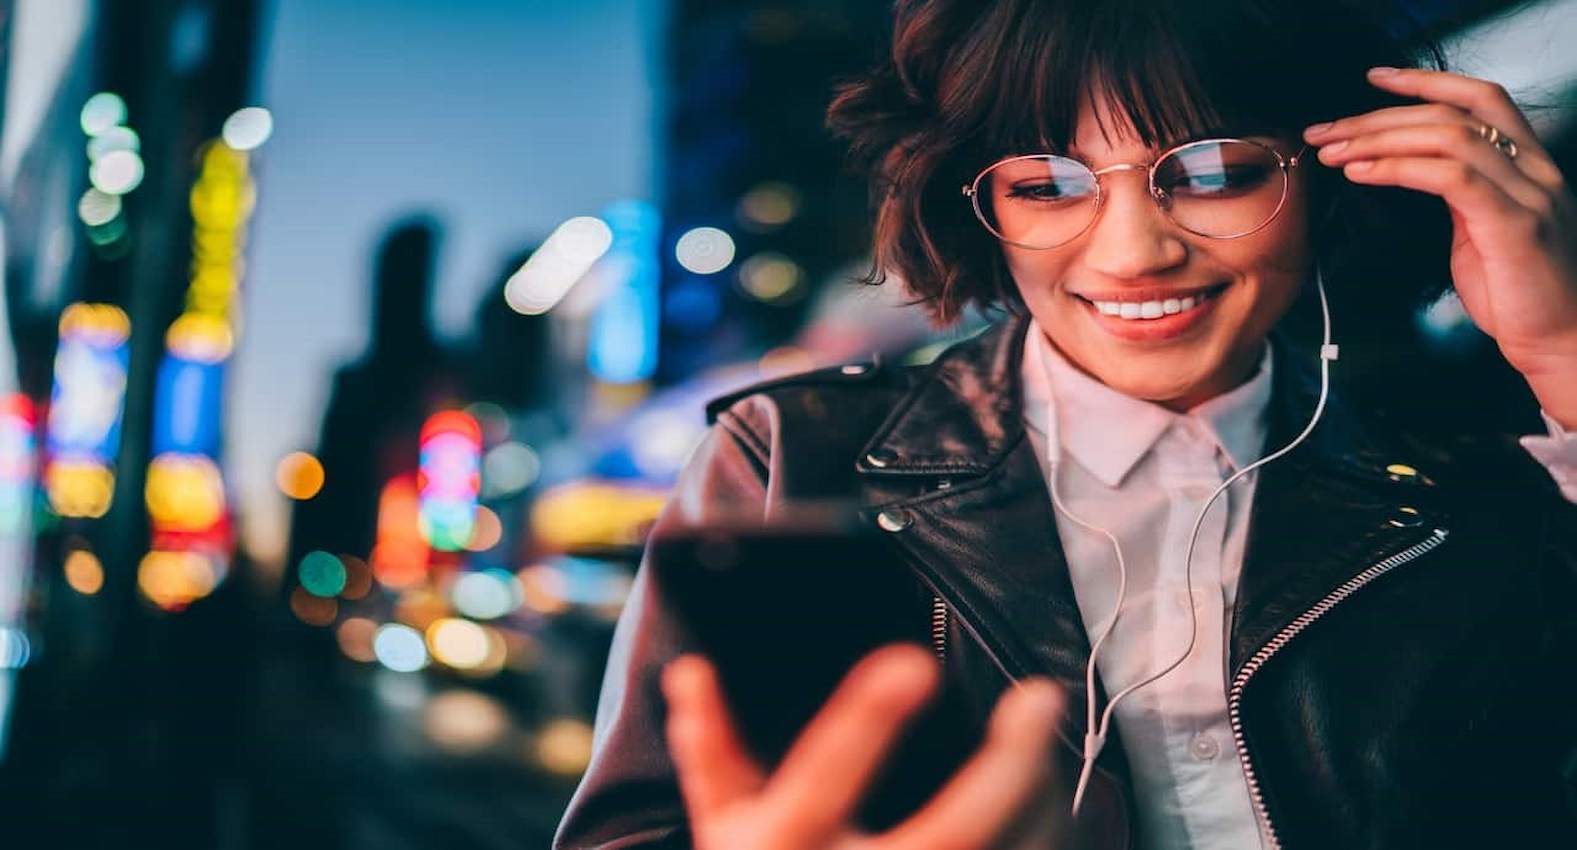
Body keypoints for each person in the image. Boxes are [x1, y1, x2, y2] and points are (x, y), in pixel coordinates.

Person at [554, 1, 1577, 847]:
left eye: (1214, 170)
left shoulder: (1485, 466)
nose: (1130, 252)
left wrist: (1561, 348)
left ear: (1330, 173)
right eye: (1045, 184)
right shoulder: (795, 461)